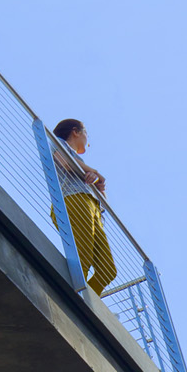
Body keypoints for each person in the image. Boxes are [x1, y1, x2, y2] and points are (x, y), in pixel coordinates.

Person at [50, 117, 117, 295]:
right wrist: (92, 171)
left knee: (108, 270)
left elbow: (104, 204)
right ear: (75, 131)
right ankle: (71, 297)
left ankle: (85, 301)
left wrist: (97, 183)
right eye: (86, 133)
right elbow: (64, 161)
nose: (88, 140)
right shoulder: (59, 144)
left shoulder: (83, 167)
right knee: (82, 257)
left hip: (91, 206)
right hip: (73, 200)